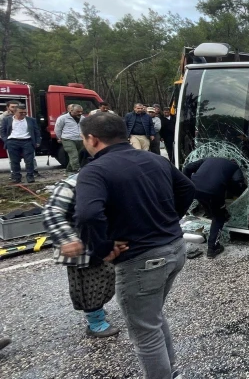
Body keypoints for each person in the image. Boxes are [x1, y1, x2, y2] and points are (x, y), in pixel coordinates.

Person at [75, 112, 195, 378]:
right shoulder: (155, 159)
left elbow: (87, 215)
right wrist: (168, 221)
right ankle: (172, 373)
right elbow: (187, 188)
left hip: (142, 260)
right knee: (152, 318)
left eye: (83, 139)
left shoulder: (94, 171)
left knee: (145, 332)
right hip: (175, 248)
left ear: (92, 139)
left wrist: (103, 248)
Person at [43, 157, 120, 338]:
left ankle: (97, 309)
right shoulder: (70, 185)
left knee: (106, 277)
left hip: (102, 242)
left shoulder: (110, 181)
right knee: (87, 285)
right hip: (77, 245)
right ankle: (95, 322)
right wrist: (67, 239)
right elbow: (52, 212)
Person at [182, 157, 246, 259]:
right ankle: (213, 248)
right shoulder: (234, 166)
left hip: (194, 188)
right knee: (219, 217)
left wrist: (188, 183)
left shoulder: (208, 159)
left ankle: (211, 212)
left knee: (206, 200)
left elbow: (187, 168)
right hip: (214, 191)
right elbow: (237, 181)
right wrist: (234, 191)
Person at [0, 105, 41, 183]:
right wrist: (7, 141)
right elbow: (2, 131)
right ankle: (16, 177)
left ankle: (30, 176)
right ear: (15, 112)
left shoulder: (31, 120)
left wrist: (37, 142)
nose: (23, 114)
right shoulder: (6, 120)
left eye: (25, 112)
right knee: (14, 161)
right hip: (12, 142)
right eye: (21, 112)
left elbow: (37, 131)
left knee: (29, 161)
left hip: (27, 141)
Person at [55, 104, 85, 172]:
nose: (80, 113)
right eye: (78, 111)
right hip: (68, 139)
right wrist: (59, 137)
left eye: (81, 111)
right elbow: (58, 129)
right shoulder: (63, 118)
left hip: (80, 139)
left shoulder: (83, 118)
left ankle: (69, 170)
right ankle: (77, 170)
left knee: (78, 156)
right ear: (71, 110)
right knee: (74, 155)